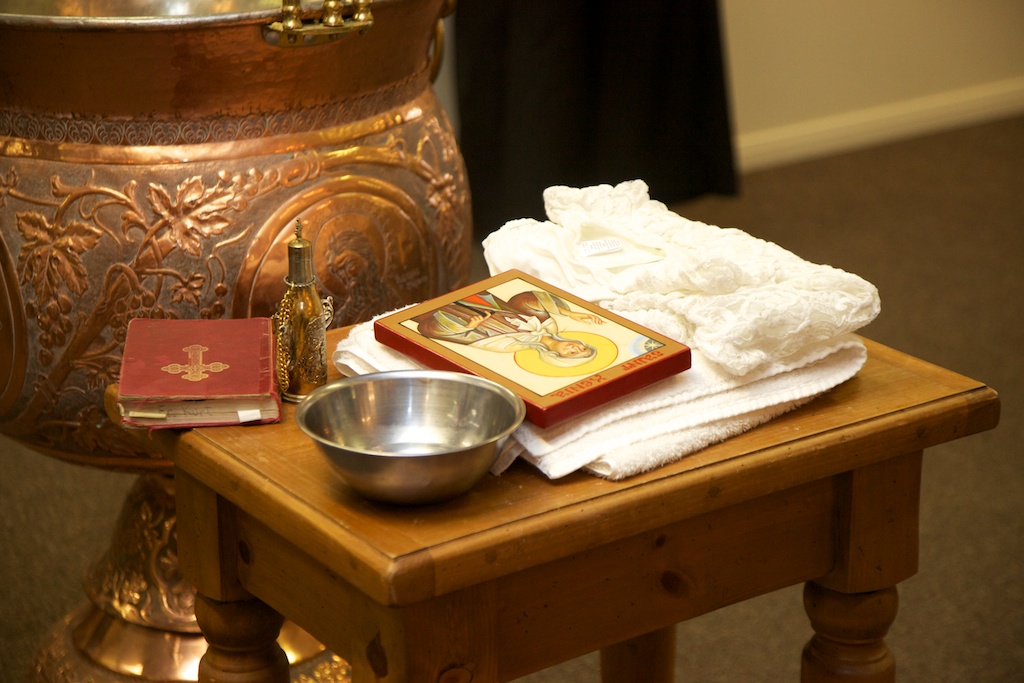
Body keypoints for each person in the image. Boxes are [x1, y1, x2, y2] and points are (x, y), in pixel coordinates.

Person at [413, 289, 602, 368]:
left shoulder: (509, 346)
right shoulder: (549, 326)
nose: (575, 347)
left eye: (572, 353)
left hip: (453, 311)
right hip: (478, 297)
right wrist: (569, 313)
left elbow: (436, 331)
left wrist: (467, 326)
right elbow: (522, 302)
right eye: (582, 347)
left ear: (556, 356)